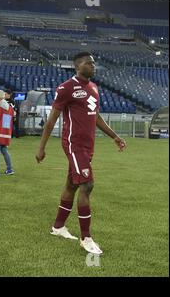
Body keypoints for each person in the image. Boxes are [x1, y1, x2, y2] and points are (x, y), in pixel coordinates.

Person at [35, 52, 127, 255]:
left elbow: (96, 117)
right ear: (78, 66)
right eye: (89, 63)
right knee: (87, 184)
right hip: (74, 144)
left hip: (88, 145)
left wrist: (115, 136)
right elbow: (51, 120)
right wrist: (41, 147)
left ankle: (58, 227)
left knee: (72, 184)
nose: (93, 65)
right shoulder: (66, 87)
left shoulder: (93, 88)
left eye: (94, 62)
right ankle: (86, 238)